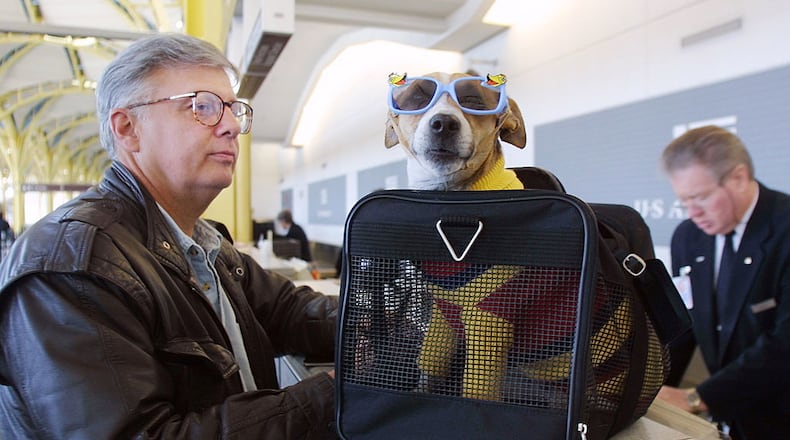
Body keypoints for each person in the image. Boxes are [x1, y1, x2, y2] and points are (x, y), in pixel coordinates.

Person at [0, 33, 338, 439]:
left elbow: (290, 310)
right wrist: (333, 395)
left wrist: (393, 317)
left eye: (232, 110)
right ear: (128, 128)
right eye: (203, 107)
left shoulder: (203, 241)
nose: (231, 126)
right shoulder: (70, 265)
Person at [657, 125, 789, 440]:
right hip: (732, 415)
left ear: (738, 178)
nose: (693, 213)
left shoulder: (785, 229)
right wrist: (652, 387)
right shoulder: (688, 237)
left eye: (701, 198)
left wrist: (699, 397)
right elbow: (685, 320)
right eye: (684, 201)